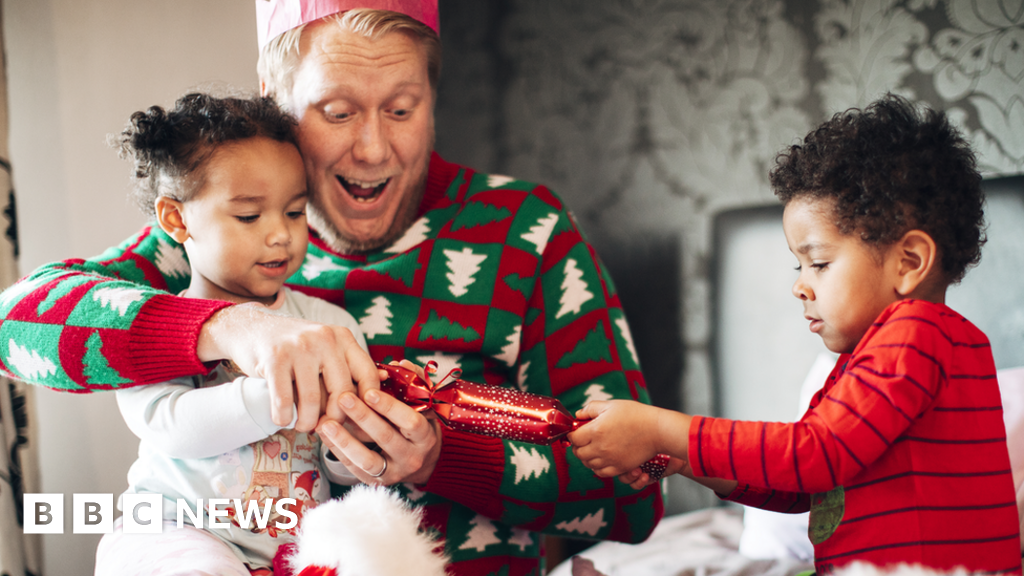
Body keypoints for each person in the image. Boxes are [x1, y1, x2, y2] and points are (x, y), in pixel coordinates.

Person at [0, 2, 662, 573]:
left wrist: (441, 458)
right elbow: (15, 327)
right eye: (337, 111)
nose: (373, 148)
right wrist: (226, 325)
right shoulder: (219, 238)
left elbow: (634, 498)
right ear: (276, 99)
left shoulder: (525, 231)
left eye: (402, 108)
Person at [568, 95, 1022, 573]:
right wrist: (690, 462)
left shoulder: (917, 334)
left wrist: (668, 429)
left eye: (819, 263)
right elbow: (806, 489)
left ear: (908, 261)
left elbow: (813, 455)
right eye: (799, 264)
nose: (799, 285)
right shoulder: (879, 356)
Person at [93, 93, 370, 575]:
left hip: (292, 545)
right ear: (176, 219)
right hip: (176, 531)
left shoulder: (331, 327)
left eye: (294, 211)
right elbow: (171, 426)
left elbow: (341, 469)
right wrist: (280, 391)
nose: (280, 235)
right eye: (248, 216)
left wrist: (355, 441)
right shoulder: (155, 327)